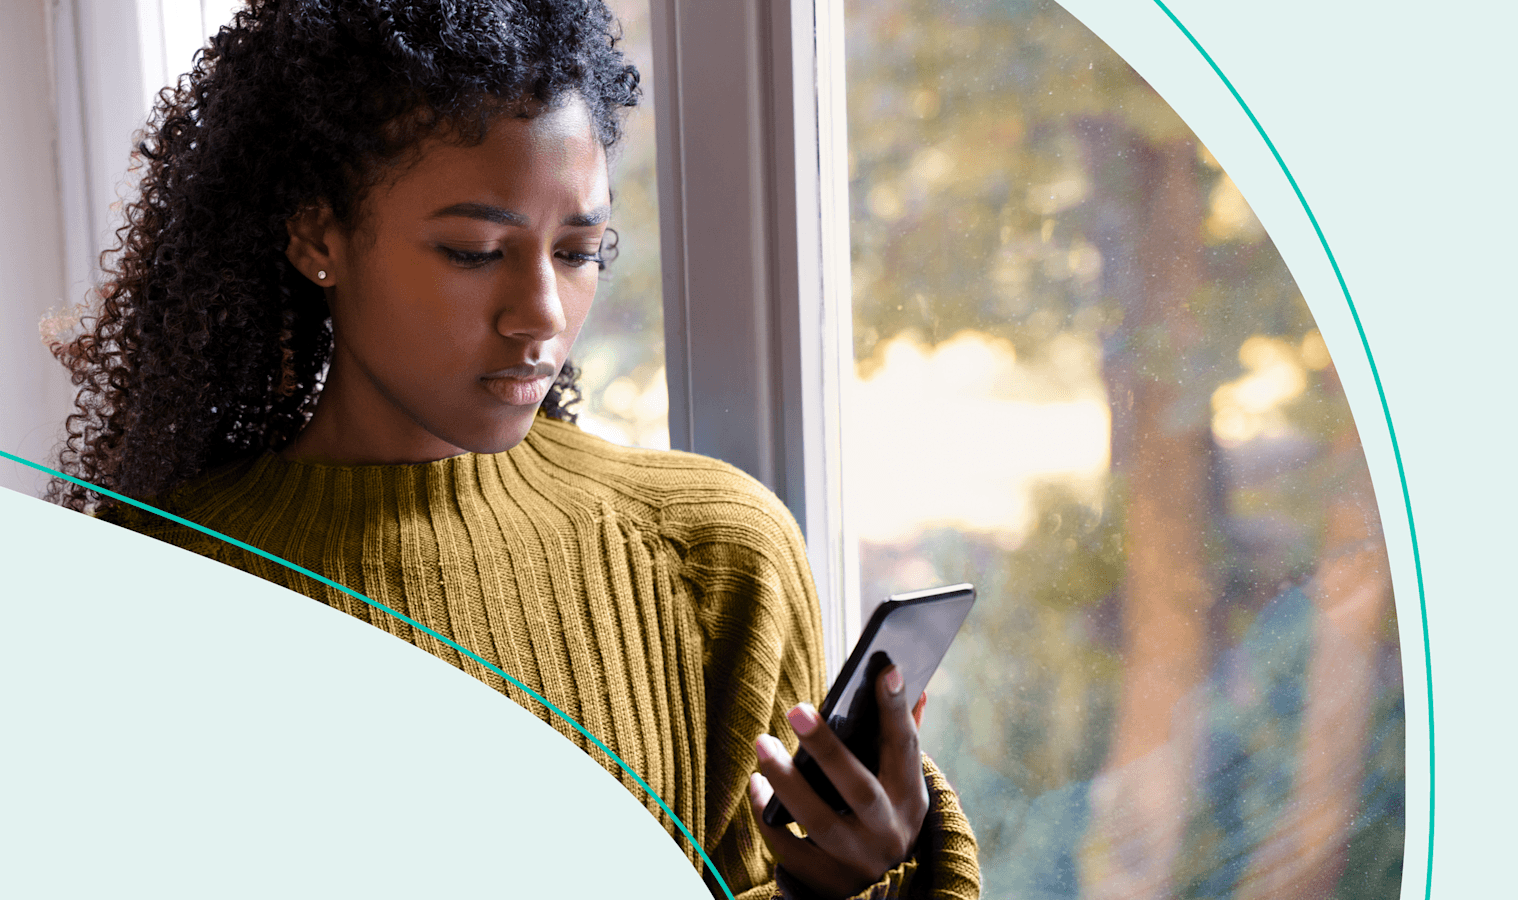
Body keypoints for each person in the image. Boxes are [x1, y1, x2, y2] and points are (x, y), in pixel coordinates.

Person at [49, 2, 981, 898]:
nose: (541, 315)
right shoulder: (159, 592)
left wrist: (849, 884)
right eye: (474, 251)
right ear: (315, 232)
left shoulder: (715, 557)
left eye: (578, 252)